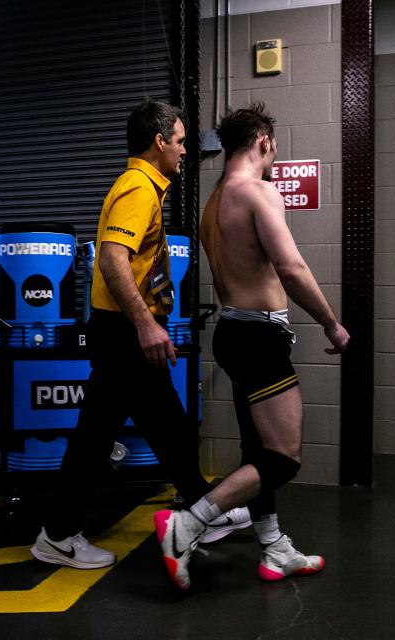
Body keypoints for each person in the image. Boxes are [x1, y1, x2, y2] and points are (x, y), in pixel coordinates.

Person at [31, 99, 251, 569]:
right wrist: (147, 324)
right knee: (120, 431)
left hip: (120, 329)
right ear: (159, 142)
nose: (185, 151)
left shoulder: (146, 186)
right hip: (124, 330)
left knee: (156, 423)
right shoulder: (138, 188)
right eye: (181, 141)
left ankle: (198, 507)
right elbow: (111, 260)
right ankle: (58, 534)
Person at [154, 102, 350, 590]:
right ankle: (188, 524)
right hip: (260, 337)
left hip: (231, 333)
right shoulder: (259, 193)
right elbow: (291, 268)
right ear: (263, 142)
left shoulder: (213, 204)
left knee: (256, 449)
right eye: (274, 149)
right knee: (282, 457)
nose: (275, 158)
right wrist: (331, 323)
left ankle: (274, 547)